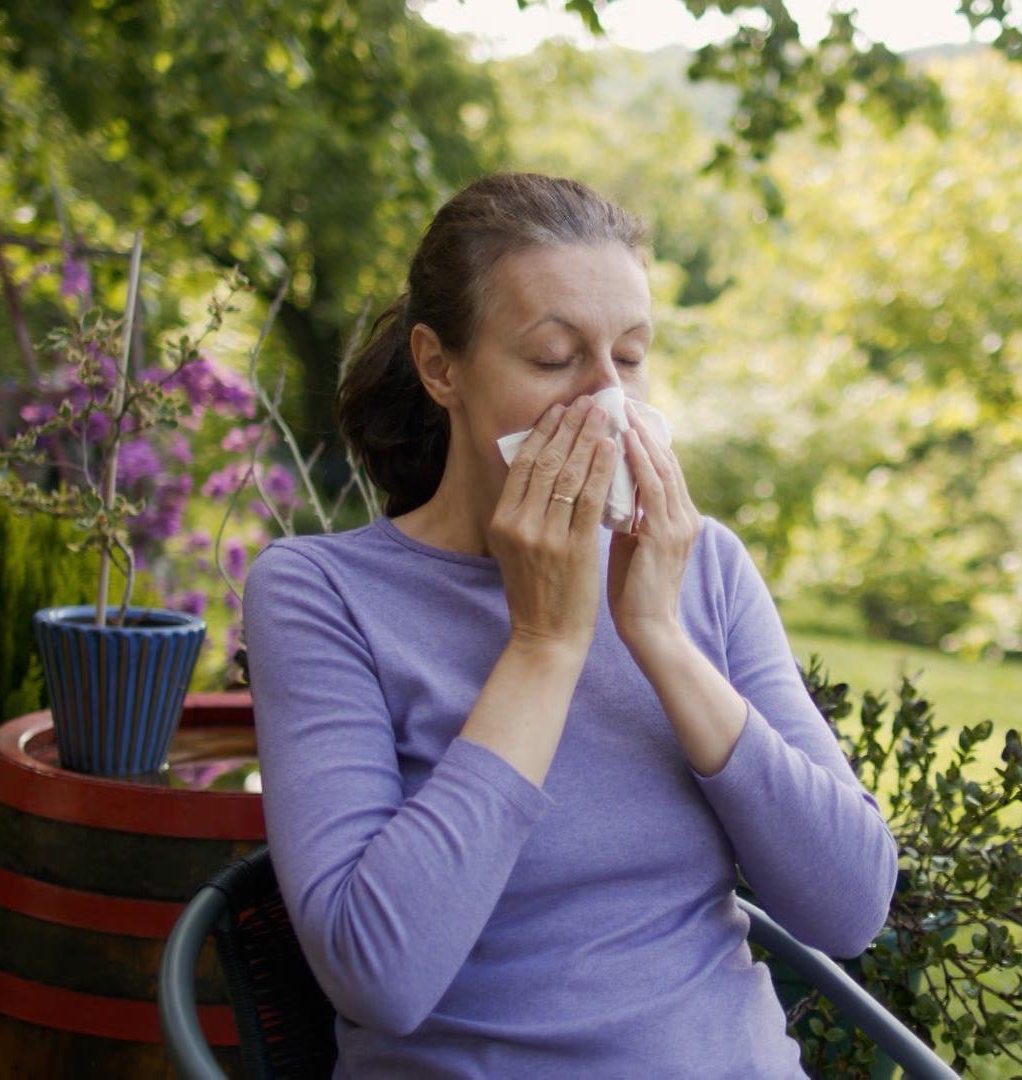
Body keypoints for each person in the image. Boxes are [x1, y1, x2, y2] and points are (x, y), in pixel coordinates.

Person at [241, 172, 898, 1077]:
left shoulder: (698, 565)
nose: (604, 401)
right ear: (441, 368)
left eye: (628, 358)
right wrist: (544, 645)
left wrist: (660, 636)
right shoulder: (324, 595)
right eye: (555, 359)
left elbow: (851, 905)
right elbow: (378, 975)